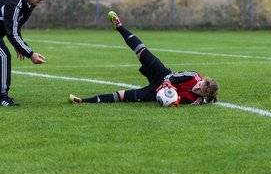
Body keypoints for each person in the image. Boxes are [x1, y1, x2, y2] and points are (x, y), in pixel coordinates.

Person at [69, 11, 218, 106]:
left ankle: (83, 101)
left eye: (200, 90)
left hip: (155, 92)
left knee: (123, 96)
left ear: (204, 96)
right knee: (141, 50)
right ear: (202, 79)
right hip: (163, 74)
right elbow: (174, 77)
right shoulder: (194, 76)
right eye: (200, 85)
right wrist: (167, 83)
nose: (197, 87)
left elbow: (176, 101)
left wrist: (169, 100)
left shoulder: (195, 101)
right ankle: (119, 26)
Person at [0, 0, 47, 106]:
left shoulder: (28, 3)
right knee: (3, 56)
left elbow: (16, 26)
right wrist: (30, 54)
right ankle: (2, 97)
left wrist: (19, 46)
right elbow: (12, 34)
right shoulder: (15, 3)